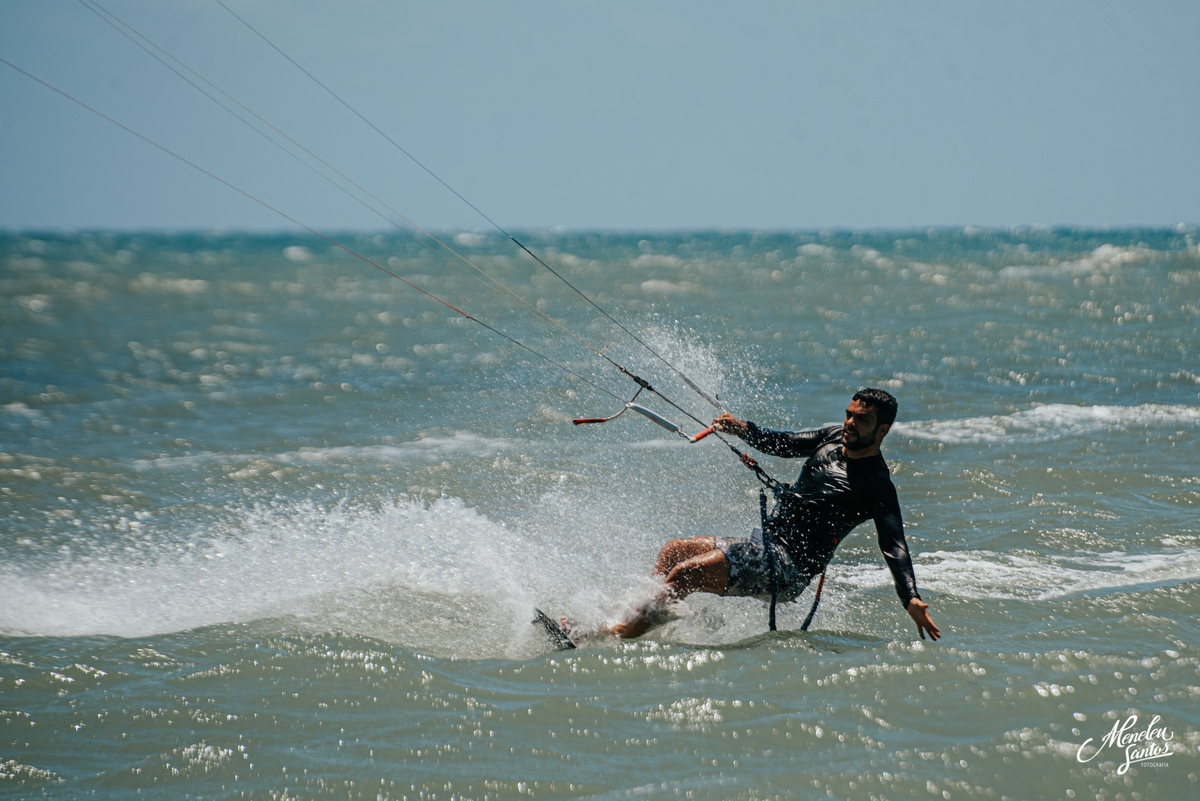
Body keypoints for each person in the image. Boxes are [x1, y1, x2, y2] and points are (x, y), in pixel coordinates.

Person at [580, 388, 940, 642]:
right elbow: (783, 442)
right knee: (675, 550)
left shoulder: (878, 486)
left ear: (882, 430)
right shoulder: (831, 438)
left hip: (787, 568)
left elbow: (894, 545)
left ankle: (614, 637)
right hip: (764, 544)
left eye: (860, 420)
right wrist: (743, 429)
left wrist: (909, 597)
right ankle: (636, 617)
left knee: (686, 574)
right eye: (848, 414)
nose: (849, 423)